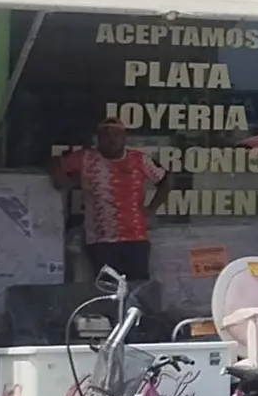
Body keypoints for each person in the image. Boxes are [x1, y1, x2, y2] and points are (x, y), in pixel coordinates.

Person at [50, 119, 173, 280]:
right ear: (98, 138)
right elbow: (55, 163)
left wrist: (151, 209)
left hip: (135, 237)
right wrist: (62, 179)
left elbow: (167, 179)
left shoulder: (139, 160)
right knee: (108, 290)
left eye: (116, 135)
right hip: (101, 239)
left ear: (124, 138)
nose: (111, 139)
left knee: (139, 288)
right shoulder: (86, 158)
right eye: (106, 135)